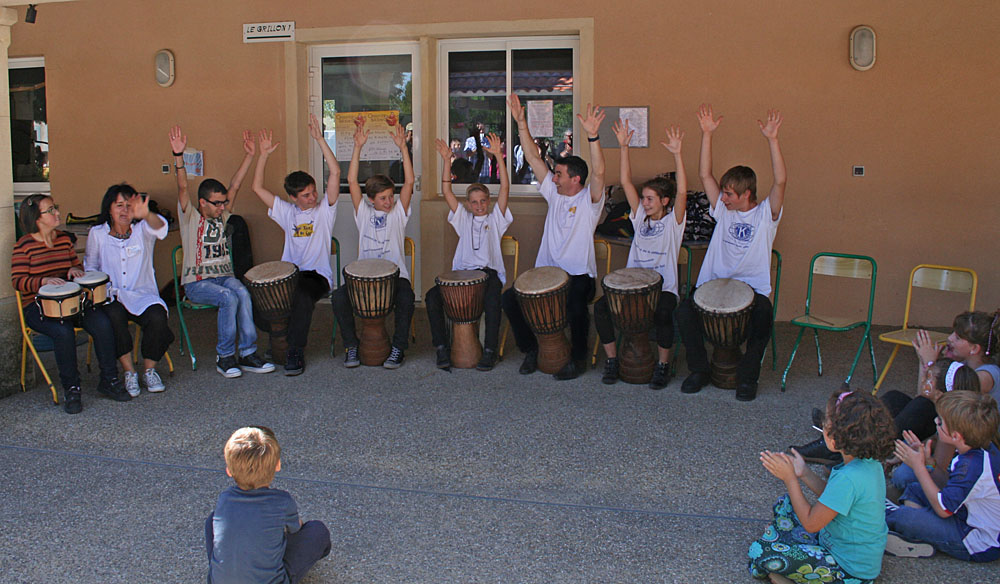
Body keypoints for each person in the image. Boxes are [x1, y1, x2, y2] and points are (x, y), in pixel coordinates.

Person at [674, 104, 786, 401]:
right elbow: (704, 173)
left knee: (763, 318)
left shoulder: (765, 215)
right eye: (722, 192)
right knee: (684, 312)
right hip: (713, 284)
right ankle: (699, 370)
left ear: (747, 194)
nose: (722, 198)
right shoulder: (723, 211)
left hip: (752, 289)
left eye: (729, 194)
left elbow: (781, 182)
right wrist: (707, 134)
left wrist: (772, 140)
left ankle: (748, 379)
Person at [795, 310, 1000, 464]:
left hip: (965, 434)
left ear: (974, 348)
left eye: (958, 337)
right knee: (895, 398)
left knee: (920, 407)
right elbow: (926, 393)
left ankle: (850, 448)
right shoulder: (966, 367)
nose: (950, 339)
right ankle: (848, 431)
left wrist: (928, 363)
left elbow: (932, 398)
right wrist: (924, 360)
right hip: (945, 420)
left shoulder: (985, 376)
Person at [501, 93, 607, 381]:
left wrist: (593, 137)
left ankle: (578, 358)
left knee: (575, 303)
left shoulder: (590, 201)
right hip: (546, 273)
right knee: (510, 299)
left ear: (576, 179)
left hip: (579, 276)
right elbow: (534, 157)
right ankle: (531, 349)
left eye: (559, 174)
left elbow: (599, 172)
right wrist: (521, 123)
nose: (553, 177)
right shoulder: (554, 194)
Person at [749, 391, 895, 584]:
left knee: (761, 553)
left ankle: (788, 565)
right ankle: (786, 545)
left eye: (825, 424)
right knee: (784, 504)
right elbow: (834, 499)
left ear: (835, 438)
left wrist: (790, 479)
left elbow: (811, 523)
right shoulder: (869, 464)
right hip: (846, 550)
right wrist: (804, 472)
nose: (822, 426)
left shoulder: (848, 478)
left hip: (848, 571)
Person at [170, 125, 275, 379]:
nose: (222, 206)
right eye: (217, 203)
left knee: (240, 290)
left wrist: (250, 155)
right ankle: (225, 356)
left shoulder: (222, 215)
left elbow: (235, 185)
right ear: (203, 202)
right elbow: (183, 189)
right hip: (198, 282)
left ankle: (248, 353)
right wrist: (178, 158)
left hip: (223, 277)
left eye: (223, 202)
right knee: (228, 297)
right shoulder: (190, 217)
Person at [12, 194, 130, 413]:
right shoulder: (24, 246)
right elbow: (17, 281)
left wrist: (74, 271)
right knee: (63, 331)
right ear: (37, 218)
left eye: (55, 208)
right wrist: (43, 281)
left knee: (102, 322)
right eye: (50, 210)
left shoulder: (64, 240)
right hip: (38, 307)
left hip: (70, 302)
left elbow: (76, 267)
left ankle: (109, 379)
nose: (57, 213)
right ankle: (71, 388)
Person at [594, 119, 687, 389]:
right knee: (601, 308)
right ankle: (611, 361)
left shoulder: (673, 223)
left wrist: (678, 154)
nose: (644, 203)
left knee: (664, 313)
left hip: (663, 288)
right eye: (643, 198)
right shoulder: (638, 218)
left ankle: (662, 365)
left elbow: (682, 190)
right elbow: (625, 180)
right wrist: (624, 147)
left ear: (664, 202)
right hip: (632, 288)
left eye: (650, 199)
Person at [251, 114, 340, 375]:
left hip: (317, 276)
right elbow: (257, 187)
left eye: (313, 192)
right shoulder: (286, 212)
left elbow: (335, 172)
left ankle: (294, 351)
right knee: (258, 293)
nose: (313, 197)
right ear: (293, 197)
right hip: (290, 275)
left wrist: (320, 139)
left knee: (300, 295)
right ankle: (277, 336)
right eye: (305, 195)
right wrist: (264, 155)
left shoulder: (324, 211)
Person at [330, 115, 415, 368]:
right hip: (364, 279)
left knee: (407, 298)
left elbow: (409, 182)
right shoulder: (364, 213)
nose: (389, 202)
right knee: (338, 298)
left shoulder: (399, 213)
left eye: (390, 197)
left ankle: (398, 348)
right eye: (383, 199)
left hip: (394, 277)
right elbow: (352, 182)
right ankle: (351, 346)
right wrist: (358, 147)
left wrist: (403, 148)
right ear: (371, 201)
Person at [427, 132, 512, 371]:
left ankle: (489, 351)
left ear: (488, 201)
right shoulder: (462, 218)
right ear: (468, 204)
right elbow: (447, 192)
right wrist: (446, 161)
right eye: (474, 202)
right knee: (432, 298)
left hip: (488, 274)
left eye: (483, 201)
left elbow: (505, 187)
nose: (479, 206)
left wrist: (499, 158)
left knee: (495, 298)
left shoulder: (496, 219)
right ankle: (442, 349)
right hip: (461, 275)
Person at [206, 426, 331, 584]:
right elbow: (296, 529)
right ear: (277, 465)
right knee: (317, 530)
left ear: (229, 471)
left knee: (212, 519)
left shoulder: (224, 499)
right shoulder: (282, 501)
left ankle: (224, 569)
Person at [885, 391, 1000, 562]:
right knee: (915, 489)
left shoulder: (971, 466)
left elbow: (943, 509)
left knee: (903, 517)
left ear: (955, 436)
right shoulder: (978, 451)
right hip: (963, 514)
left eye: (940, 422)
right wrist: (928, 464)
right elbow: (949, 485)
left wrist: (918, 467)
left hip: (976, 540)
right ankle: (919, 535)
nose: (935, 422)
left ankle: (905, 524)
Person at [85, 183, 174, 396]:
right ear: (109, 209)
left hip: (142, 294)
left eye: (128, 205)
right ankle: (129, 372)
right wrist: (100, 289)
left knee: (157, 316)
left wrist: (147, 214)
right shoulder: (97, 234)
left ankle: (149, 370)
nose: (124, 210)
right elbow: (91, 267)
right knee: (113, 316)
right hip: (112, 295)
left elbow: (161, 228)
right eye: (119, 205)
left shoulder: (142, 229)